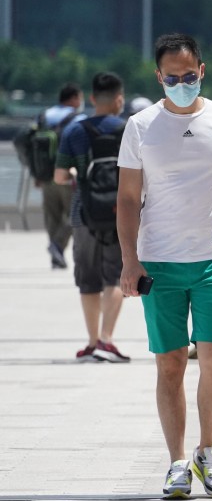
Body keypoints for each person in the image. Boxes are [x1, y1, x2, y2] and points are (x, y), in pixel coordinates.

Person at [117, 33, 212, 499]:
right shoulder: (140, 126)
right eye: (171, 78)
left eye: (188, 76)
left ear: (202, 71)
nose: (180, 84)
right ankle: (177, 463)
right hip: (159, 261)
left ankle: (207, 452)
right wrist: (129, 260)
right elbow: (127, 198)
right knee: (170, 363)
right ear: (158, 77)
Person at [54, 72, 130, 363]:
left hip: (83, 213)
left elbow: (60, 176)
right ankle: (106, 341)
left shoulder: (75, 131)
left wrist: (76, 175)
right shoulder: (129, 130)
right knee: (115, 276)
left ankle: (91, 341)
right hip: (120, 213)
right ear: (119, 99)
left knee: (88, 280)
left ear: (93, 98)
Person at [39, 83, 86, 269]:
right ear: (74, 98)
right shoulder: (78, 118)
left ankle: (56, 256)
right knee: (74, 213)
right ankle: (57, 246)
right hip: (68, 174)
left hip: (45, 175)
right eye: (80, 98)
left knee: (52, 217)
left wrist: (37, 174)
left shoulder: (44, 116)